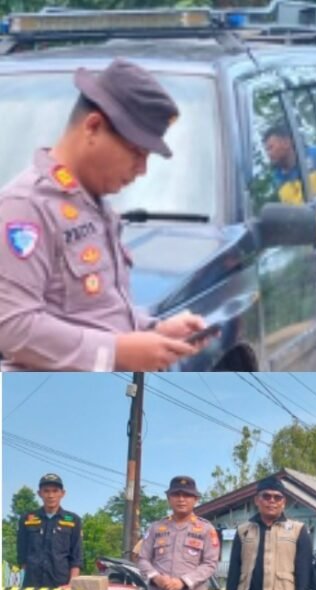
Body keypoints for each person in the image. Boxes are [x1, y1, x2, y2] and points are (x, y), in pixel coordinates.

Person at [0, 58, 210, 372]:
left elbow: (94, 310)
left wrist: (154, 330)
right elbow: (14, 327)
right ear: (93, 127)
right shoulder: (26, 207)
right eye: (136, 152)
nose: (142, 169)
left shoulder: (94, 203)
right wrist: (117, 352)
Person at [16, 473, 82, 588]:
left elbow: (76, 557)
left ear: (62, 493)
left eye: (55, 491)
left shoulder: (73, 520)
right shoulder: (26, 519)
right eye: (46, 491)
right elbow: (22, 555)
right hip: (32, 586)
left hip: (62, 587)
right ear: (39, 493)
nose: (51, 495)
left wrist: (71, 584)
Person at [264, 123, 316, 204]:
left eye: (271, 147)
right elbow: (292, 207)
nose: (269, 154)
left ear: (286, 143)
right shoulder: (278, 177)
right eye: (267, 150)